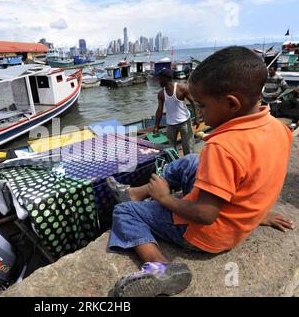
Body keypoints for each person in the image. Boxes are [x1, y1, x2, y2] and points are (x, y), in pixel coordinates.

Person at [106, 46, 294, 297]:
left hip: (207, 235)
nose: (200, 114)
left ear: (231, 103)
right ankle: (136, 193)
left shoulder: (222, 147)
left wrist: (165, 198)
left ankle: (161, 270)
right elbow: (259, 176)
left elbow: (205, 214)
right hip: (240, 220)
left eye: (202, 107)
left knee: (124, 212)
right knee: (189, 160)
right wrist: (256, 214)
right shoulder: (278, 128)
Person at [153, 68, 199, 155]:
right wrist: (156, 126)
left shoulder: (182, 88)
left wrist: (197, 117)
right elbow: (159, 110)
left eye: (160, 79)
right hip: (171, 124)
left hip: (184, 122)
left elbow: (193, 102)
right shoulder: (161, 94)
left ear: (166, 78)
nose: (158, 81)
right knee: (171, 149)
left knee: (188, 147)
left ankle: (190, 165)